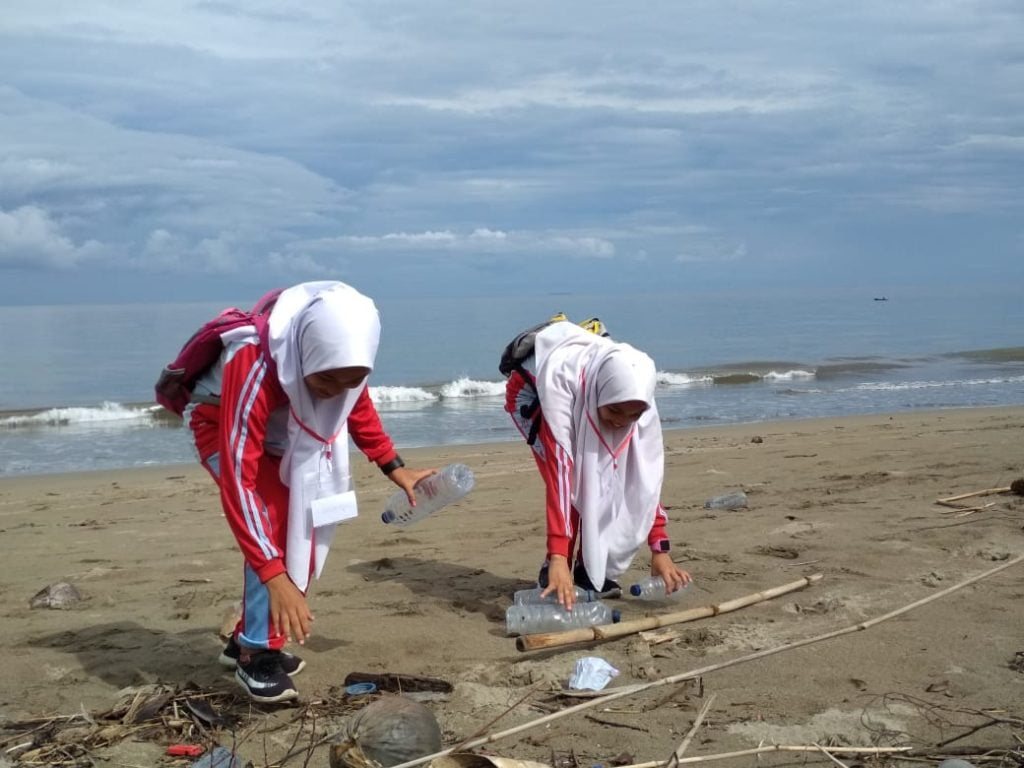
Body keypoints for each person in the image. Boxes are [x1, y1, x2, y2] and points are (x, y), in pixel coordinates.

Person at [188, 281, 433, 703]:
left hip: (283, 437)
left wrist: (394, 466)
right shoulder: (254, 363)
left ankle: (247, 639)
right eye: (325, 380)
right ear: (305, 355)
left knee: (297, 530)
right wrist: (275, 575)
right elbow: (239, 484)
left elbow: (356, 405)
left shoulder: (341, 371)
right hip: (220, 427)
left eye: (350, 380)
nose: (334, 391)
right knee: (271, 526)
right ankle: (255, 655)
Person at [504, 319, 690, 609]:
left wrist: (660, 549)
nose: (621, 422)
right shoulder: (562, 394)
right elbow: (561, 482)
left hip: (594, 391)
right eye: (615, 411)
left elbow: (643, 480)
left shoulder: (637, 400)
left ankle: (586, 571)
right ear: (603, 397)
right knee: (579, 483)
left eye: (633, 416)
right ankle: (555, 570)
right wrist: (557, 557)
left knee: (609, 477)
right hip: (533, 396)